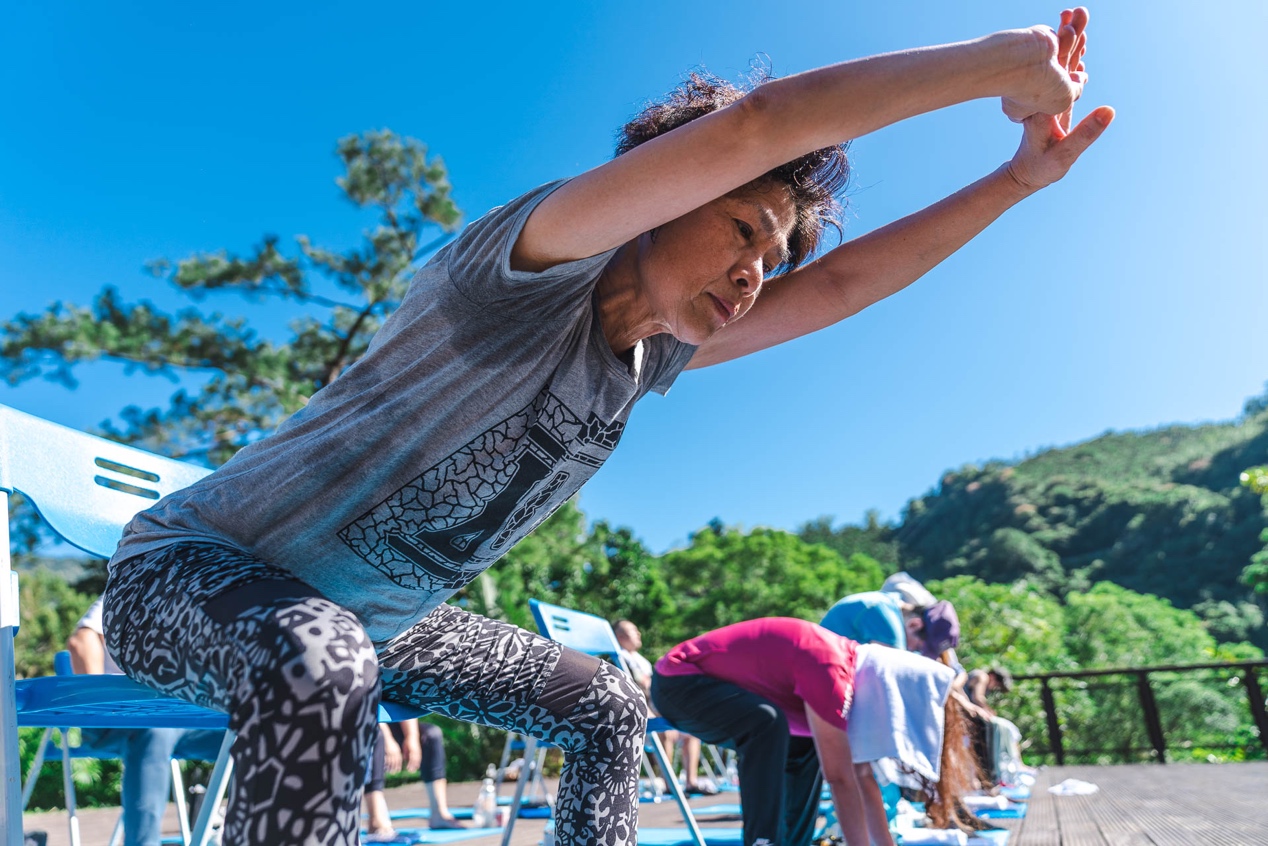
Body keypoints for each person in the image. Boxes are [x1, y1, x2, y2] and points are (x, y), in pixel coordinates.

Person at [100, 9, 1110, 845]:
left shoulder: (649, 358)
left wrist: (1014, 181)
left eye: (772, 256)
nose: (756, 269)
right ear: (658, 196)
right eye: (740, 229)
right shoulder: (522, 270)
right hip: (186, 578)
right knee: (319, 656)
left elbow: (840, 284)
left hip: (377, 624)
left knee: (606, 703)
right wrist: (996, 66)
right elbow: (754, 125)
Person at [650, 617, 977, 846]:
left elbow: (861, 776)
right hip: (679, 682)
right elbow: (840, 780)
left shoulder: (853, 668)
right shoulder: (832, 668)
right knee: (767, 722)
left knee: (807, 746)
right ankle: (763, 841)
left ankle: (795, 842)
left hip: (719, 691)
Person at [65, 599, 225, 846]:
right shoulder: (135, 583)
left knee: (256, 733)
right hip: (118, 720)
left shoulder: (206, 596)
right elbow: (81, 641)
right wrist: (100, 709)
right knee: (154, 730)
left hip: (178, 720)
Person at [615, 620, 716, 796]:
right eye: (633, 630)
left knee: (691, 731)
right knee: (664, 731)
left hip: (655, 710)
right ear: (620, 637)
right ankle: (669, 784)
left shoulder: (642, 662)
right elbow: (628, 696)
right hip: (635, 716)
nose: (638, 633)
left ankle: (690, 782)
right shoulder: (617, 659)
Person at [363, 720, 465, 841]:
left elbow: (404, 704)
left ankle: (439, 815)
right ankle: (376, 822)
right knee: (378, 735)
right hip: (365, 724)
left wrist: (412, 737)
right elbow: (372, 710)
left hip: (389, 724)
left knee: (431, 735)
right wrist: (389, 741)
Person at [819, 591, 960, 660]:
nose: (914, 652)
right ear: (914, 625)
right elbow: (896, 675)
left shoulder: (888, 602)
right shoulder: (885, 618)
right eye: (917, 647)